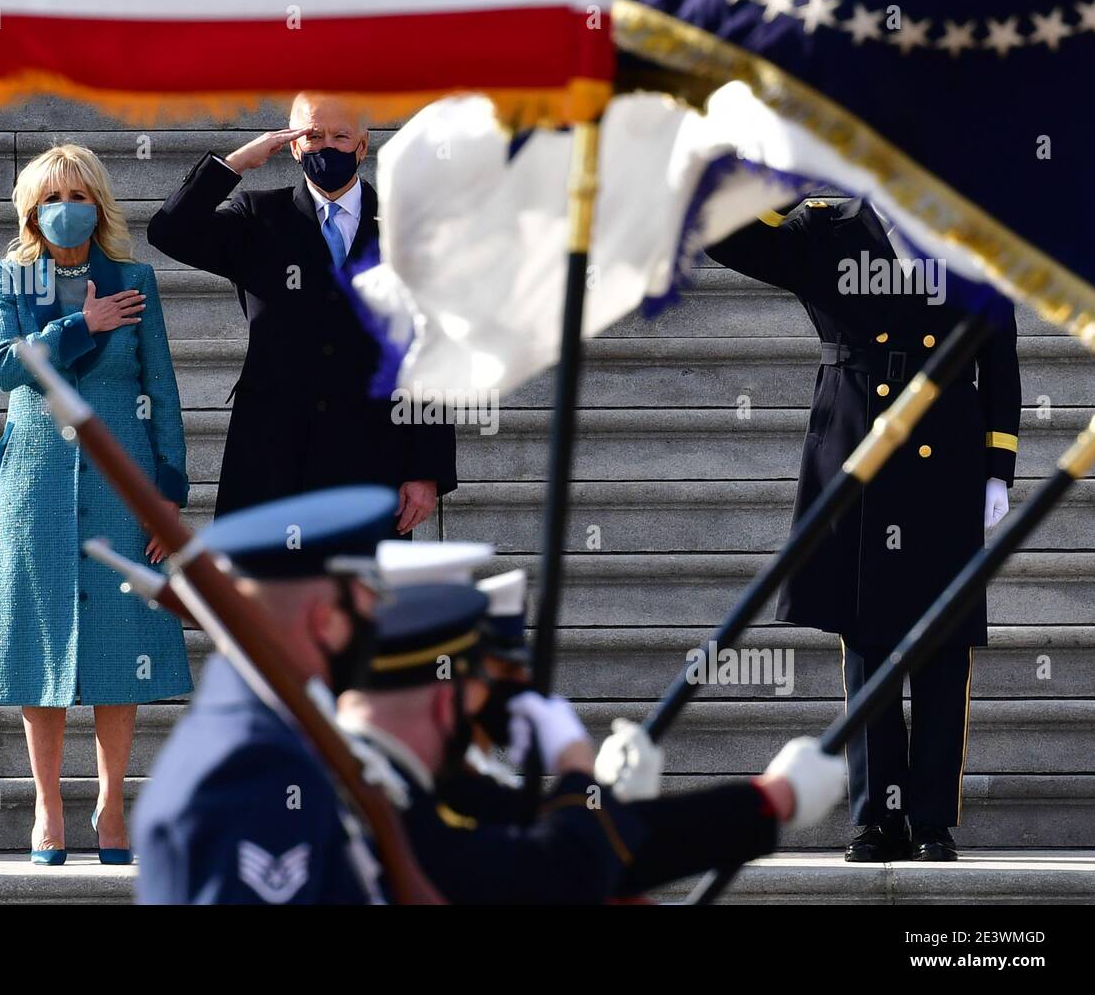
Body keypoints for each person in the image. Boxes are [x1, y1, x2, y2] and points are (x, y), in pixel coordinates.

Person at [706, 195, 1022, 863]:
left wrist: (998, 466)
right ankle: (877, 816)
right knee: (870, 634)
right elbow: (724, 237)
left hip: (945, 440)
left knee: (942, 638)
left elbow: (999, 346)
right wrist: (785, 177)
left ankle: (932, 818)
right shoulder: (825, 224)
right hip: (859, 440)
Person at [336, 586, 846, 904]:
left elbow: (598, 850)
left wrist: (766, 800)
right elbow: (558, 872)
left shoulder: (399, 779)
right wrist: (579, 773)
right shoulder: (376, 795)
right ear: (447, 704)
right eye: (490, 690)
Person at [0, 143, 191, 866]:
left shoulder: (134, 280)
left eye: (80, 196)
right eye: (52, 198)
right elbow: (8, 367)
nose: (66, 210)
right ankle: (45, 805)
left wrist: (170, 491)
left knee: (116, 645)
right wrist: (80, 326)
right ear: (31, 209)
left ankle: (111, 802)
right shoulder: (11, 277)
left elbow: (162, 389)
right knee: (39, 640)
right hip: (35, 482)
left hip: (121, 479)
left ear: (100, 204)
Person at [146, 92, 457, 528]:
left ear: (362, 146)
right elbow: (170, 232)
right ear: (293, 145)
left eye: (340, 136)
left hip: (368, 459)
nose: (326, 146)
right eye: (312, 135)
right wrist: (235, 164)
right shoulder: (258, 216)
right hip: (270, 457)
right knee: (260, 595)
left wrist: (426, 469)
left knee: (354, 596)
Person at [132, 486, 399, 905]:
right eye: (367, 610)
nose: (375, 628)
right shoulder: (258, 765)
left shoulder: (267, 725)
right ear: (324, 618)